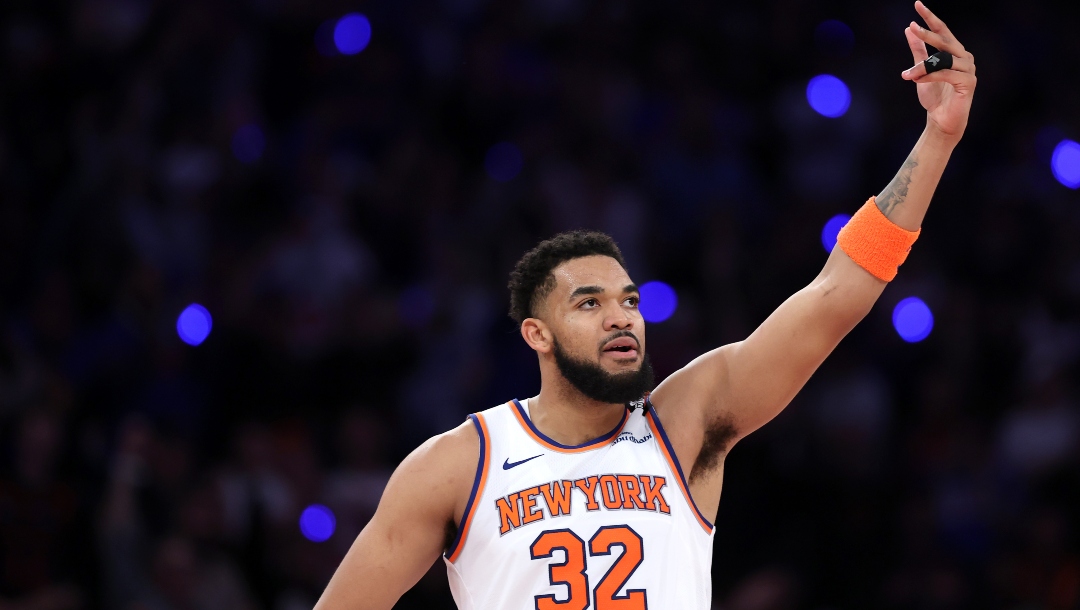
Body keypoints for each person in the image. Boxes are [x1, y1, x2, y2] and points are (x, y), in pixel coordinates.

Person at [314, 3, 977, 608]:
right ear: (537, 335)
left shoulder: (686, 419)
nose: (622, 316)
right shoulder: (457, 463)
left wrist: (936, 139)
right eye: (590, 303)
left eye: (629, 300)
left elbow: (837, 295)